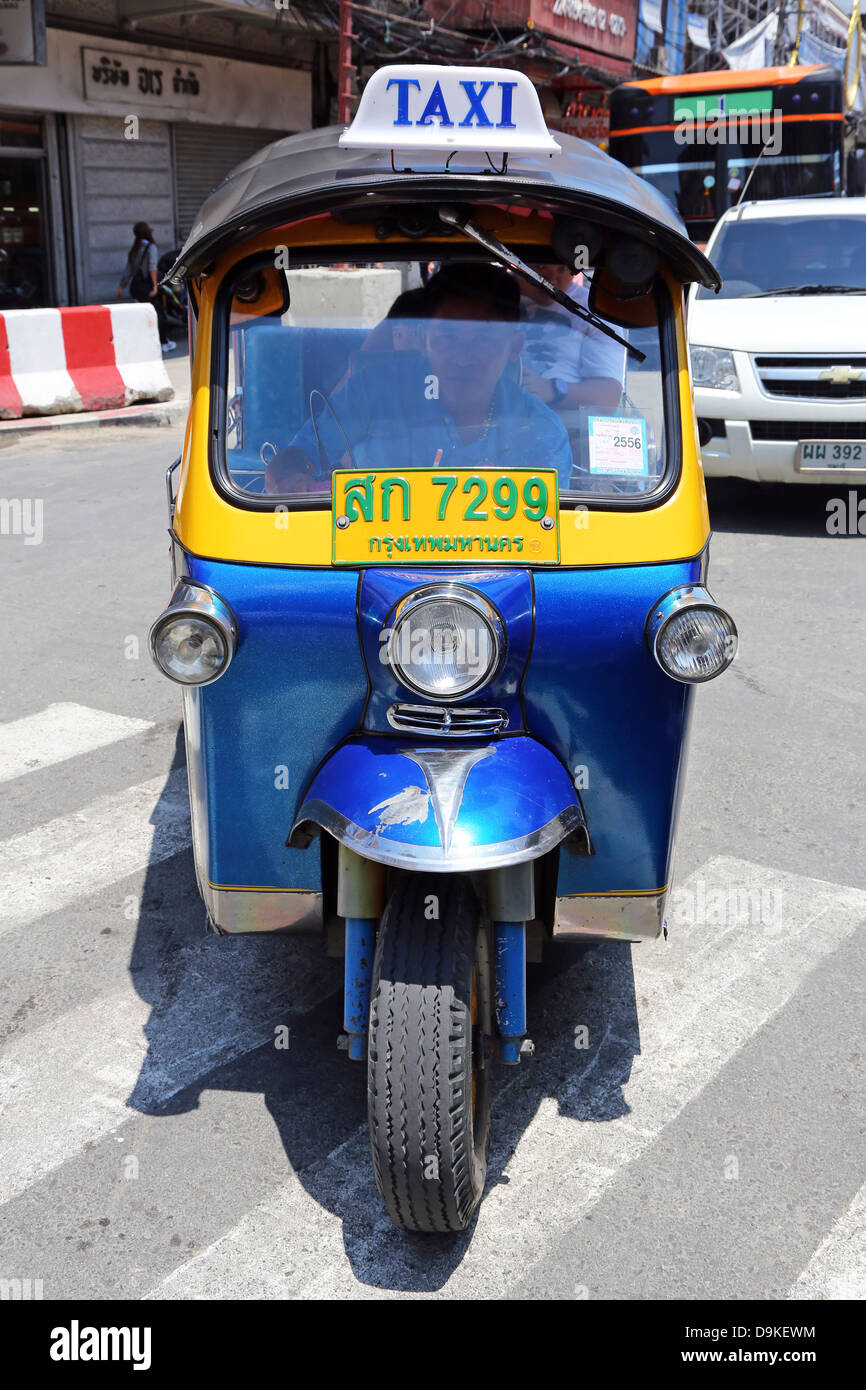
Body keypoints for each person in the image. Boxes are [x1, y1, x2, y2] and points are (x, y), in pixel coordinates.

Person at [265, 263, 572, 494]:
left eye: (483, 340)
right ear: (424, 339)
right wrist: (289, 475)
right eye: (447, 338)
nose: (463, 358)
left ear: (514, 347)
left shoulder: (541, 432)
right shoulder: (372, 391)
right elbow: (300, 455)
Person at [518, 262, 625, 413]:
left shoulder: (595, 312)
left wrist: (553, 389)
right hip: (493, 416)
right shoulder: (489, 296)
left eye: (562, 270)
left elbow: (607, 398)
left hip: (568, 426)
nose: (552, 281)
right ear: (518, 263)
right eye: (541, 267)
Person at [117, 221, 176, 354]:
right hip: (148, 287)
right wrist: (155, 286)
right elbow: (152, 267)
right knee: (158, 314)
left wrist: (121, 287)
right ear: (148, 232)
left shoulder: (134, 249)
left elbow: (128, 270)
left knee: (142, 315)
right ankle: (164, 342)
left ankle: (145, 342)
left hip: (136, 288)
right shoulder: (150, 247)